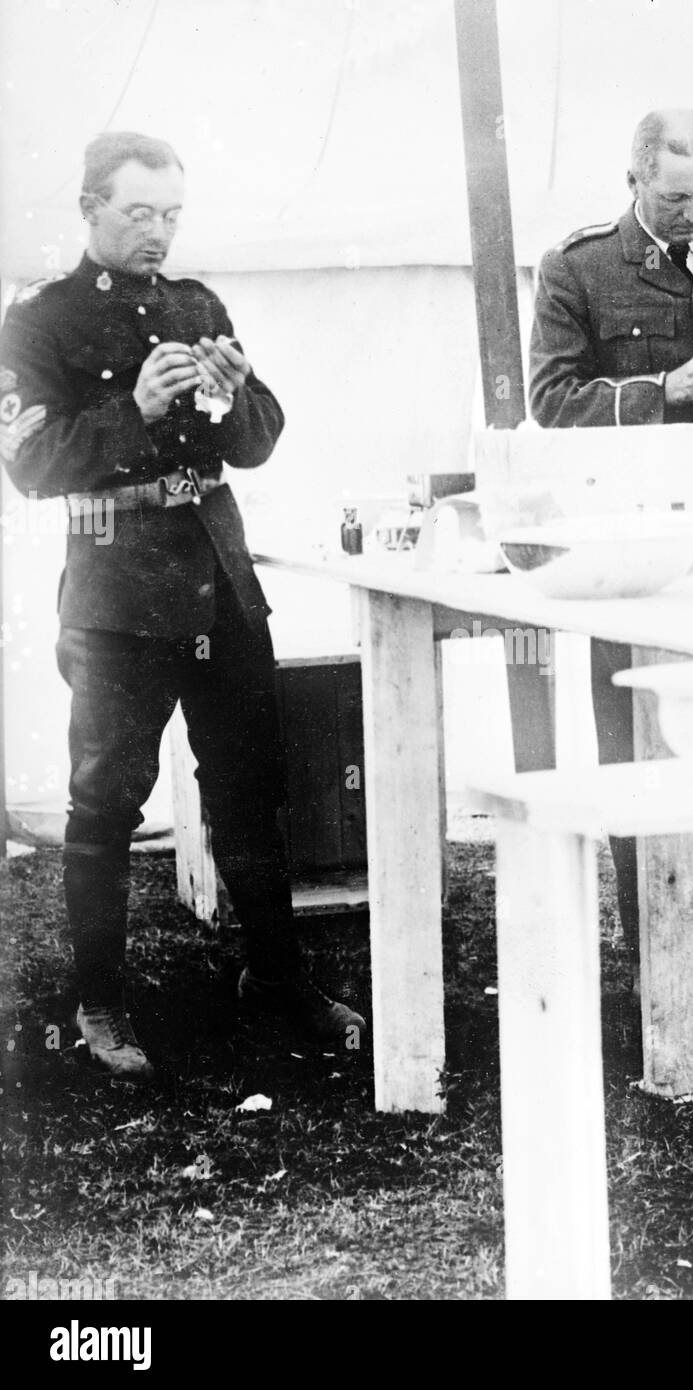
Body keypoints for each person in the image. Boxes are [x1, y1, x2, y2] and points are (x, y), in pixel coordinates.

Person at [0, 132, 365, 1082]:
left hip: (220, 578)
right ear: (89, 209)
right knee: (105, 803)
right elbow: (31, 466)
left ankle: (278, 980)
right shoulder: (38, 322)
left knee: (251, 788)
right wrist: (141, 414)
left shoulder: (198, 304)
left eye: (171, 215)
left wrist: (236, 398)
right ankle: (101, 1002)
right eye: (138, 215)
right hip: (119, 594)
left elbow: (257, 441)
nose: (159, 233)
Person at [528, 108, 693, 1006]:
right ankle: (652, 943)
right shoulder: (579, 268)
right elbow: (551, 401)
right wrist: (660, 390)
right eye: (677, 195)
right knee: (636, 744)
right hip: (631, 545)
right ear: (635, 177)